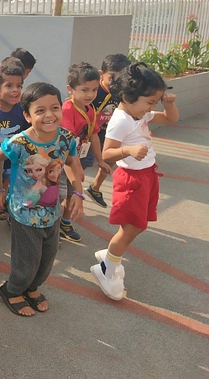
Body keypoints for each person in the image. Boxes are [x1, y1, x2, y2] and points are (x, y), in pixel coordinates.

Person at [0, 82, 84, 317]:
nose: (49, 115)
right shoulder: (19, 143)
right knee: (27, 259)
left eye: (54, 107)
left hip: (52, 212)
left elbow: (72, 163)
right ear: (27, 115)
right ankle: (12, 290)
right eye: (40, 110)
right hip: (24, 213)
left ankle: (31, 287)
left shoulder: (65, 138)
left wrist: (78, 193)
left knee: (47, 258)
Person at [90, 63, 178, 301]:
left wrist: (168, 105)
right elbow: (106, 153)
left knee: (137, 225)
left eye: (155, 103)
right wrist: (128, 150)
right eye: (150, 102)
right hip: (132, 180)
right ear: (129, 97)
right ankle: (107, 266)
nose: (152, 108)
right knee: (131, 227)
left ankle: (109, 256)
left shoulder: (138, 112)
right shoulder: (121, 120)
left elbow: (170, 120)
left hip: (147, 175)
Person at [59, 62, 111, 242]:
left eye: (94, 90)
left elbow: (94, 135)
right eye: (84, 90)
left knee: (71, 193)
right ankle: (48, 225)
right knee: (57, 194)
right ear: (70, 89)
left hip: (75, 160)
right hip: (61, 161)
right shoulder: (67, 110)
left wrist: (101, 160)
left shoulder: (90, 109)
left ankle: (64, 223)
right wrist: (75, 168)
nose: (90, 95)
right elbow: (66, 144)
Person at [0, 62, 29, 220]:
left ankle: (11, 212)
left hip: (14, 163)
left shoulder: (24, 113)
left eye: (19, 85)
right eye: (9, 85)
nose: (15, 90)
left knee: (13, 189)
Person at [85, 54, 132, 207]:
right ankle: (71, 195)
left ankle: (95, 188)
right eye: (112, 78)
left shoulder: (123, 92)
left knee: (111, 157)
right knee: (81, 164)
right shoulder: (94, 91)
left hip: (107, 132)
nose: (115, 83)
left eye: (121, 79)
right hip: (89, 133)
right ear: (101, 74)